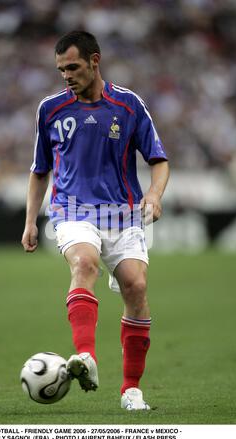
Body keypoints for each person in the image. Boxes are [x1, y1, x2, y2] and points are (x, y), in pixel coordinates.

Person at [21, 31, 169, 411]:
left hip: (122, 213)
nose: (66, 75)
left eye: (73, 67)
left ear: (94, 61)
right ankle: (86, 357)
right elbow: (40, 170)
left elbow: (159, 160)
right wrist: (31, 221)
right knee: (84, 263)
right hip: (72, 210)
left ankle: (131, 390)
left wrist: (153, 195)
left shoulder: (129, 104)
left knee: (135, 287)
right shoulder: (50, 109)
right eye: (61, 70)